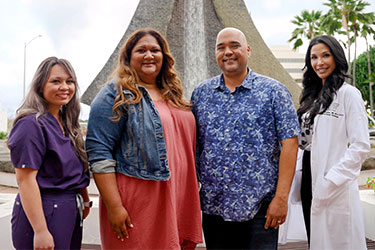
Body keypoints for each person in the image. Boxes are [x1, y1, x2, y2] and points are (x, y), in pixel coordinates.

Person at [85, 28, 202, 249]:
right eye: (141, 50)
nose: (149, 55)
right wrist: (114, 206)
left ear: (164, 56)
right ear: (128, 57)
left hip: (178, 195)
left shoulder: (174, 94)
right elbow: (99, 153)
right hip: (139, 201)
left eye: (155, 50)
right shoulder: (114, 93)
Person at [191, 27, 300, 250]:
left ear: (248, 50)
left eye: (234, 45)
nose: (227, 52)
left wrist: (280, 199)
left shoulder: (274, 92)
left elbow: (290, 144)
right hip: (215, 207)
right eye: (221, 48)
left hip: (260, 207)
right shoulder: (201, 94)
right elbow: (194, 146)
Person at [8, 57, 91, 250]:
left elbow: (75, 168)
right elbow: (25, 180)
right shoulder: (31, 124)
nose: (65, 87)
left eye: (69, 81)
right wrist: (40, 231)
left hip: (69, 208)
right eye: (56, 81)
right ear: (40, 85)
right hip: (43, 210)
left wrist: (84, 200)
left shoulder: (67, 123)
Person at [297, 35, 369, 250]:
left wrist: (332, 179)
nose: (319, 62)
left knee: (339, 240)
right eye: (314, 57)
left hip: (334, 179)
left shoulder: (349, 94)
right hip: (309, 174)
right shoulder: (311, 95)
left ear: (337, 58)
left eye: (325, 56)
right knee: (316, 238)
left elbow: (360, 146)